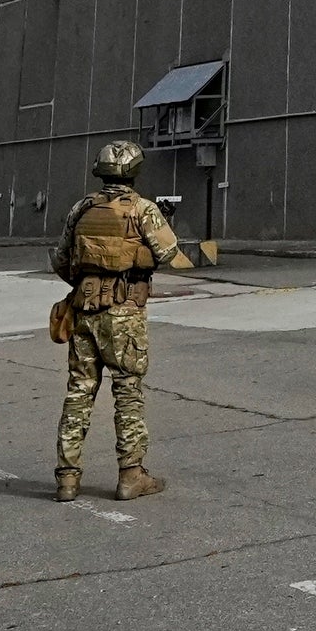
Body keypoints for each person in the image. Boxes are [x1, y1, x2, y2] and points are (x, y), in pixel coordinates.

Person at [49, 137, 202, 499]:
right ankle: (131, 475)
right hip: (125, 315)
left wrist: (88, 282)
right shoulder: (142, 209)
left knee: (78, 391)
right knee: (127, 392)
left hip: (84, 312)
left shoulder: (81, 208)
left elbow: (60, 259)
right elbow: (168, 251)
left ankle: (67, 479)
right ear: (134, 171)